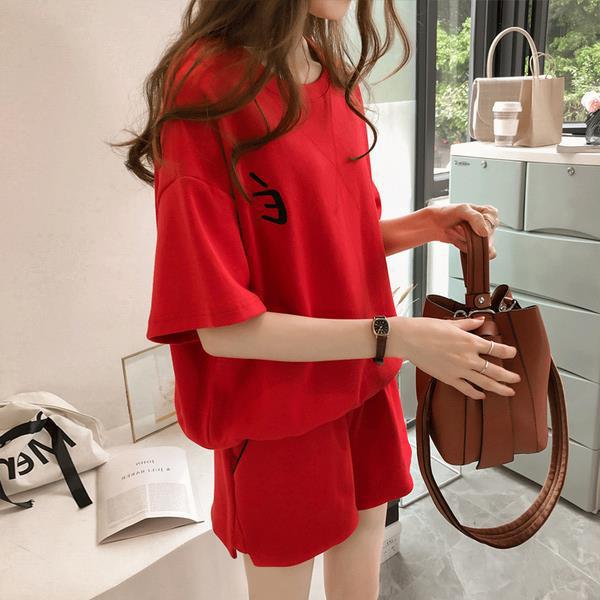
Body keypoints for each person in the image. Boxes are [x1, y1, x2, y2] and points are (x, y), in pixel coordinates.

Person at [119, 1, 520, 598]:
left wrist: (425, 225)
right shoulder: (207, 91)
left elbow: (326, 245)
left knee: (362, 570)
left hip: (364, 388)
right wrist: (396, 335)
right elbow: (222, 326)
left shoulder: (332, 76)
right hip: (277, 409)